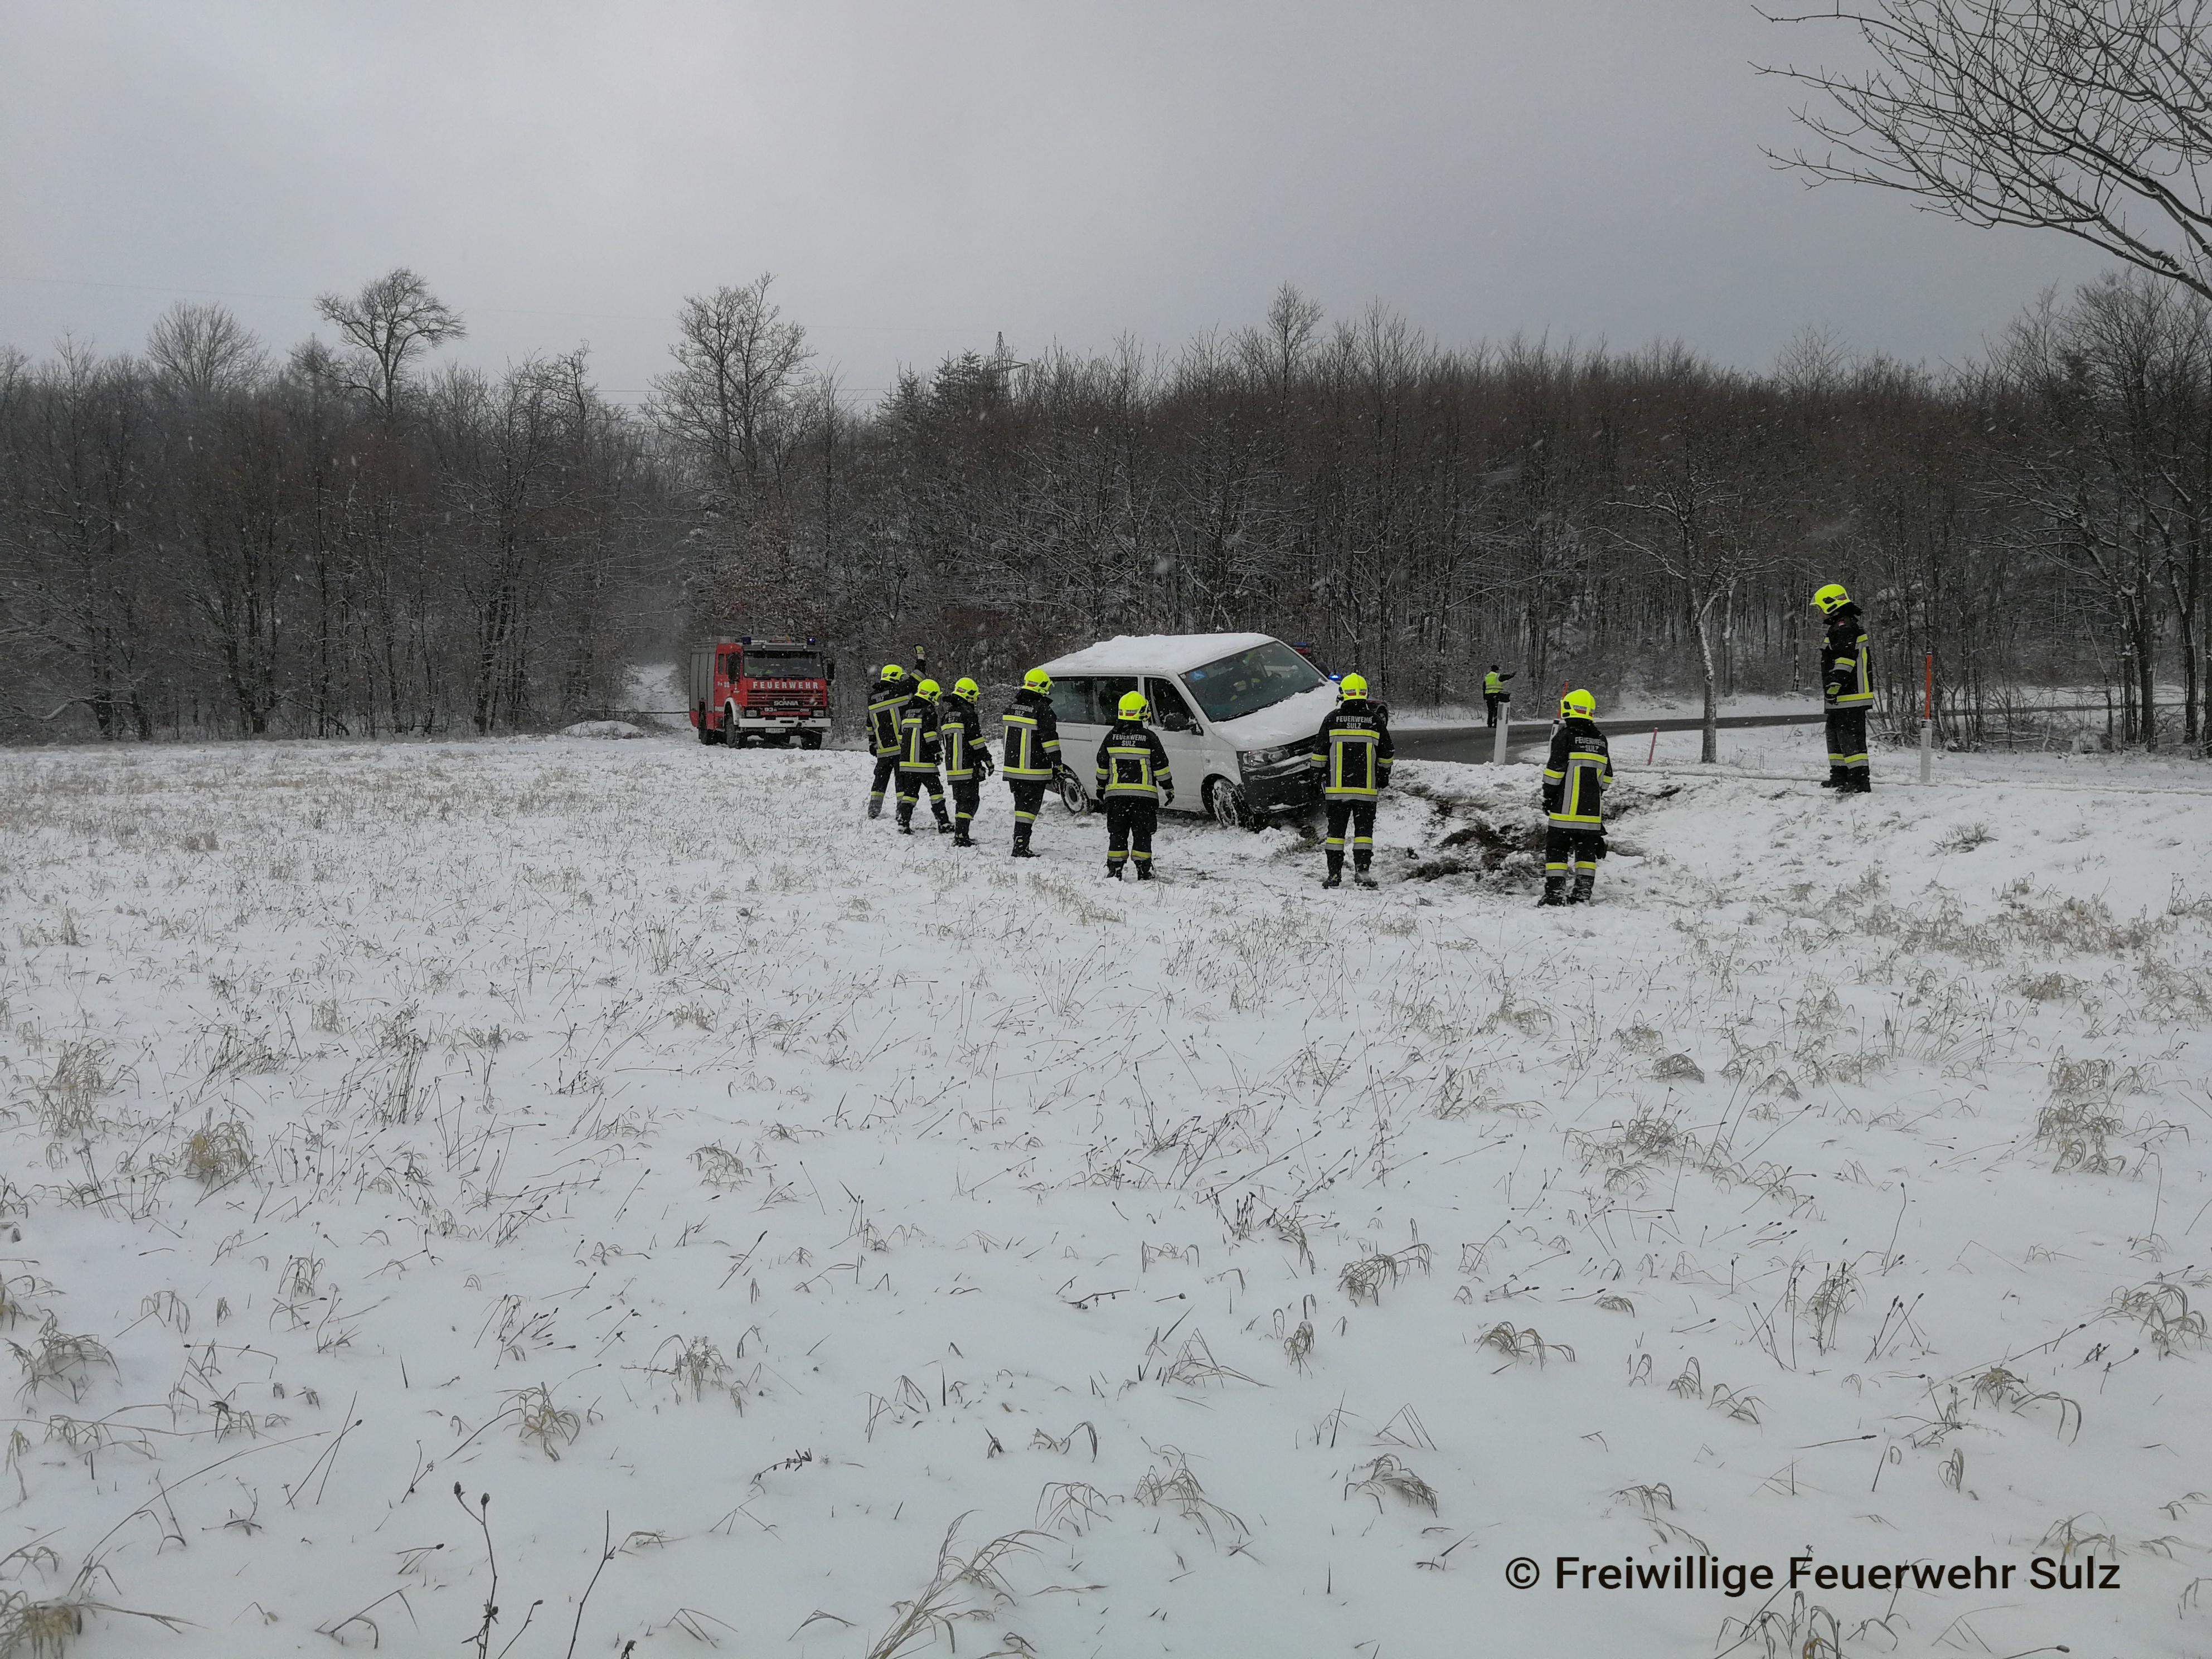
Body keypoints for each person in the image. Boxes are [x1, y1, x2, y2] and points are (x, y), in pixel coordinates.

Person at [1308, 672, 1394, 888]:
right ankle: (1363, 874)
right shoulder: (1375, 721)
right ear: (1365, 694)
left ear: (1343, 694)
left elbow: (1319, 753)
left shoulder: (1332, 720)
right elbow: (1387, 752)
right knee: (1364, 834)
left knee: (1335, 835)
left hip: (1337, 791)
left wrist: (1315, 777)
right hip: (1366, 791)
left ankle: (1334, 876)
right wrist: (1383, 775)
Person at [1538, 688, 1612, 907]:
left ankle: (1554, 894)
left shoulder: (1565, 735)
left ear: (1569, 709)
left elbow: (1555, 771)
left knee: (1557, 851)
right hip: (1591, 815)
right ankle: (1582, 894)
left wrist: (1548, 797)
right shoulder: (1600, 739)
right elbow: (1607, 777)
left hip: (1564, 811)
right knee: (1586, 854)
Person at [1094, 690, 1173, 880]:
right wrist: (1168, 788)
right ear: (1141, 713)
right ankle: (1143, 871)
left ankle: (1115, 870)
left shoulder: (1110, 738)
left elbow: (1102, 766)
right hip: (1143, 799)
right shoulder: (1149, 738)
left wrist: (1100, 787)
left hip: (1116, 798)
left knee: (1117, 833)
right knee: (1143, 834)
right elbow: (1161, 766)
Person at [1814, 583, 1873, 793]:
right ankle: (1840, 776)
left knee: (1850, 737)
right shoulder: (1839, 626)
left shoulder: (1844, 626)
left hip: (1850, 693)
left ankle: (1859, 782)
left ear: (1831, 605)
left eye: (1820, 607)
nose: (1819, 613)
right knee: (1836, 734)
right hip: (1842, 695)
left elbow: (1845, 659)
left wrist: (1835, 684)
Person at [1000, 667, 1061, 858]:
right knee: (1028, 809)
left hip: (1013, 769)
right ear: (1042, 687)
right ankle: (1020, 846)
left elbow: (1007, 739)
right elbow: (1049, 741)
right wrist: (1057, 765)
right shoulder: (1043, 710)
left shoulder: (1011, 708)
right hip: (1033, 770)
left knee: (1021, 807)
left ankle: (1020, 842)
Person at [939, 677, 995, 846]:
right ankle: (961, 837)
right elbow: (975, 741)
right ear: (969, 695)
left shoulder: (946, 716)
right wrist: (987, 760)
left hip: (952, 766)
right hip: (966, 764)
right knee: (970, 801)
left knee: (961, 800)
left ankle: (961, 834)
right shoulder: (968, 714)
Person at [896, 680, 954, 835]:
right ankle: (944, 823)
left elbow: (901, 737)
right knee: (936, 792)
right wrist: (937, 753)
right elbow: (930, 735)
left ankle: (903, 822)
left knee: (909, 794)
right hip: (925, 763)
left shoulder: (907, 711)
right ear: (930, 695)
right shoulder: (929, 711)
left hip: (907, 763)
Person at [865, 664, 911, 819]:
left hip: (883, 749)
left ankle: (874, 808)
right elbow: (917, 679)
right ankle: (901, 808)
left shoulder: (872, 697)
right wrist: (921, 659)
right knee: (902, 779)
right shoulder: (897, 691)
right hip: (900, 746)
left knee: (880, 778)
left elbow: (870, 724)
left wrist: (872, 742)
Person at [1482, 664, 1516, 728]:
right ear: (1497, 670)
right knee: (1496, 710)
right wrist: (1512, 675)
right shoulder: (1497, 676)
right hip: (1496, 695)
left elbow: (1484, 688)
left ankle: (1489, 723)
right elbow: (1505, 677)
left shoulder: (1487, 677)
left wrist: (1485, 697)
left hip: (1488, 696)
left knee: (1490, 710)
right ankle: (1496, 723)